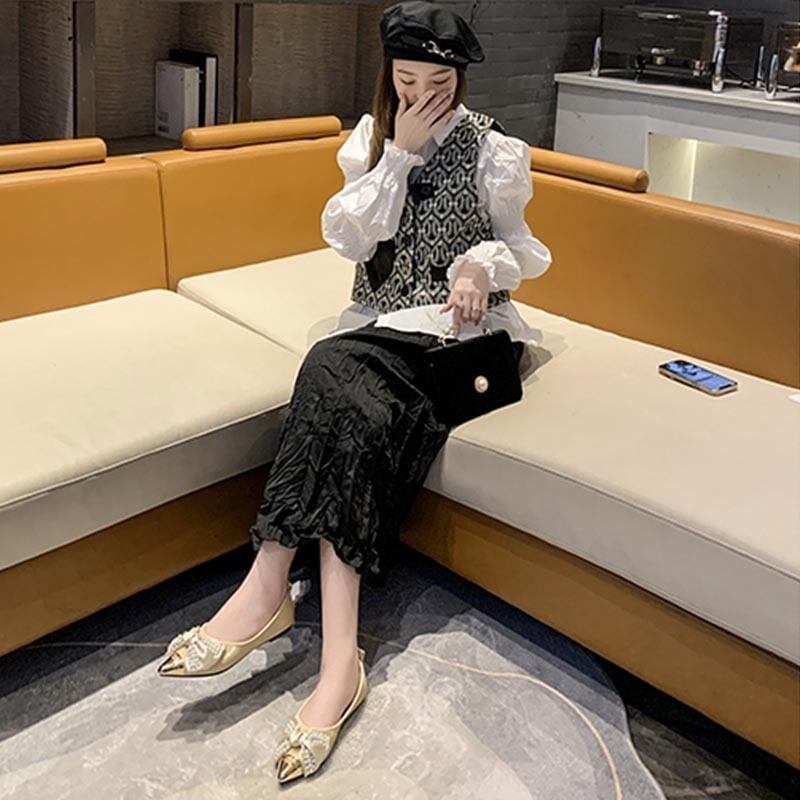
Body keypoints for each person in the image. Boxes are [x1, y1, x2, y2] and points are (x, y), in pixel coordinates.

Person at [156, 0, 552, 784]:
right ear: (388, 75)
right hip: (379, 328)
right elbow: (347, 236)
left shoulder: (494, 149)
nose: (422, 97)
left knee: (328, 368)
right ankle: (338, 657)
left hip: (456, 338)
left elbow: (527, 249)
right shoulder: (370, 142)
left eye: (438, 84)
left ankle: (270, 589)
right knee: (348, 398)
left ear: (459, 79)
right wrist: (397, 157)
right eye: (408, 82)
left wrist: (481, 266)